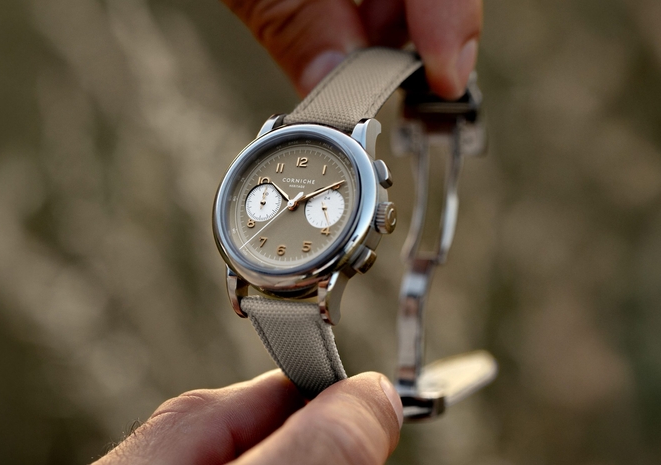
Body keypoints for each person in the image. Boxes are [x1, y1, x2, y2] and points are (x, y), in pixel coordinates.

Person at [95, 1, 482, 463]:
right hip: (262, 268)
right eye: (279, 200)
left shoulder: (346, 144)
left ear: (379, 218)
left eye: (311, 202)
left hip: (294, 270)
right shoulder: (277, 149)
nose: (294, 203)